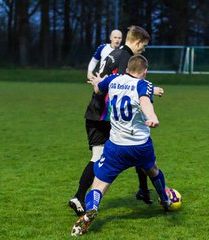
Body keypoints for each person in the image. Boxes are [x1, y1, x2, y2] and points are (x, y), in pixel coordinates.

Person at [71, 55, 172, 237]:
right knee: (154, 171)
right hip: (140, 146)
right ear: (145, 72)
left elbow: (99, 88)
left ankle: (92, 208)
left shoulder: (113, 79)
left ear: (126, 69)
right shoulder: (144, 85)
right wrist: (152, 116)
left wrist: (97, 82)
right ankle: (165, 199)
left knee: (98, 185)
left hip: (116, 146)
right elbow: (144, 101)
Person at [69, 26, 163, 216]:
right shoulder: (126, 58)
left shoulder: (115, 53)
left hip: (95, 111)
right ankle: (79, 196)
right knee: (112, 152)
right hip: (104, 115)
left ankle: (143, 191)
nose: (142, 51)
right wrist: (150, 90)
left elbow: (105, 82)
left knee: (133, 147)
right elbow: (125, 85)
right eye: (143, 47)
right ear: (137, 43)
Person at [68, 29, 123, 216]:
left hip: (98, 116)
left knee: (103, 157)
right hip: (100, 117)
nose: (117, 40)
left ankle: (82, 197)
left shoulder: (117, 60)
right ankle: (81, 197)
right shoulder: (109, 58)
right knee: (101, 157)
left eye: (119, 38)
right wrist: (92, 77)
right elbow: (97, 73)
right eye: (115, 37)